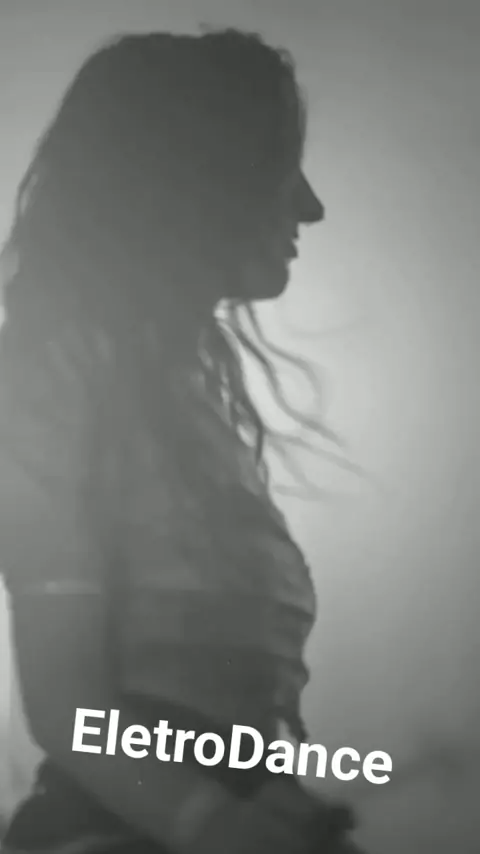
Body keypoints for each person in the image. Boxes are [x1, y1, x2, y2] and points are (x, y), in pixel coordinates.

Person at [0, 28, 362, 854]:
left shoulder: (193, 405)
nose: (309, 206)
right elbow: (66, 710)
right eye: (279, 164)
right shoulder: (57, 376)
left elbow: (214, 728)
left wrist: (284, 805)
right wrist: (212, 824)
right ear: (197, 173)